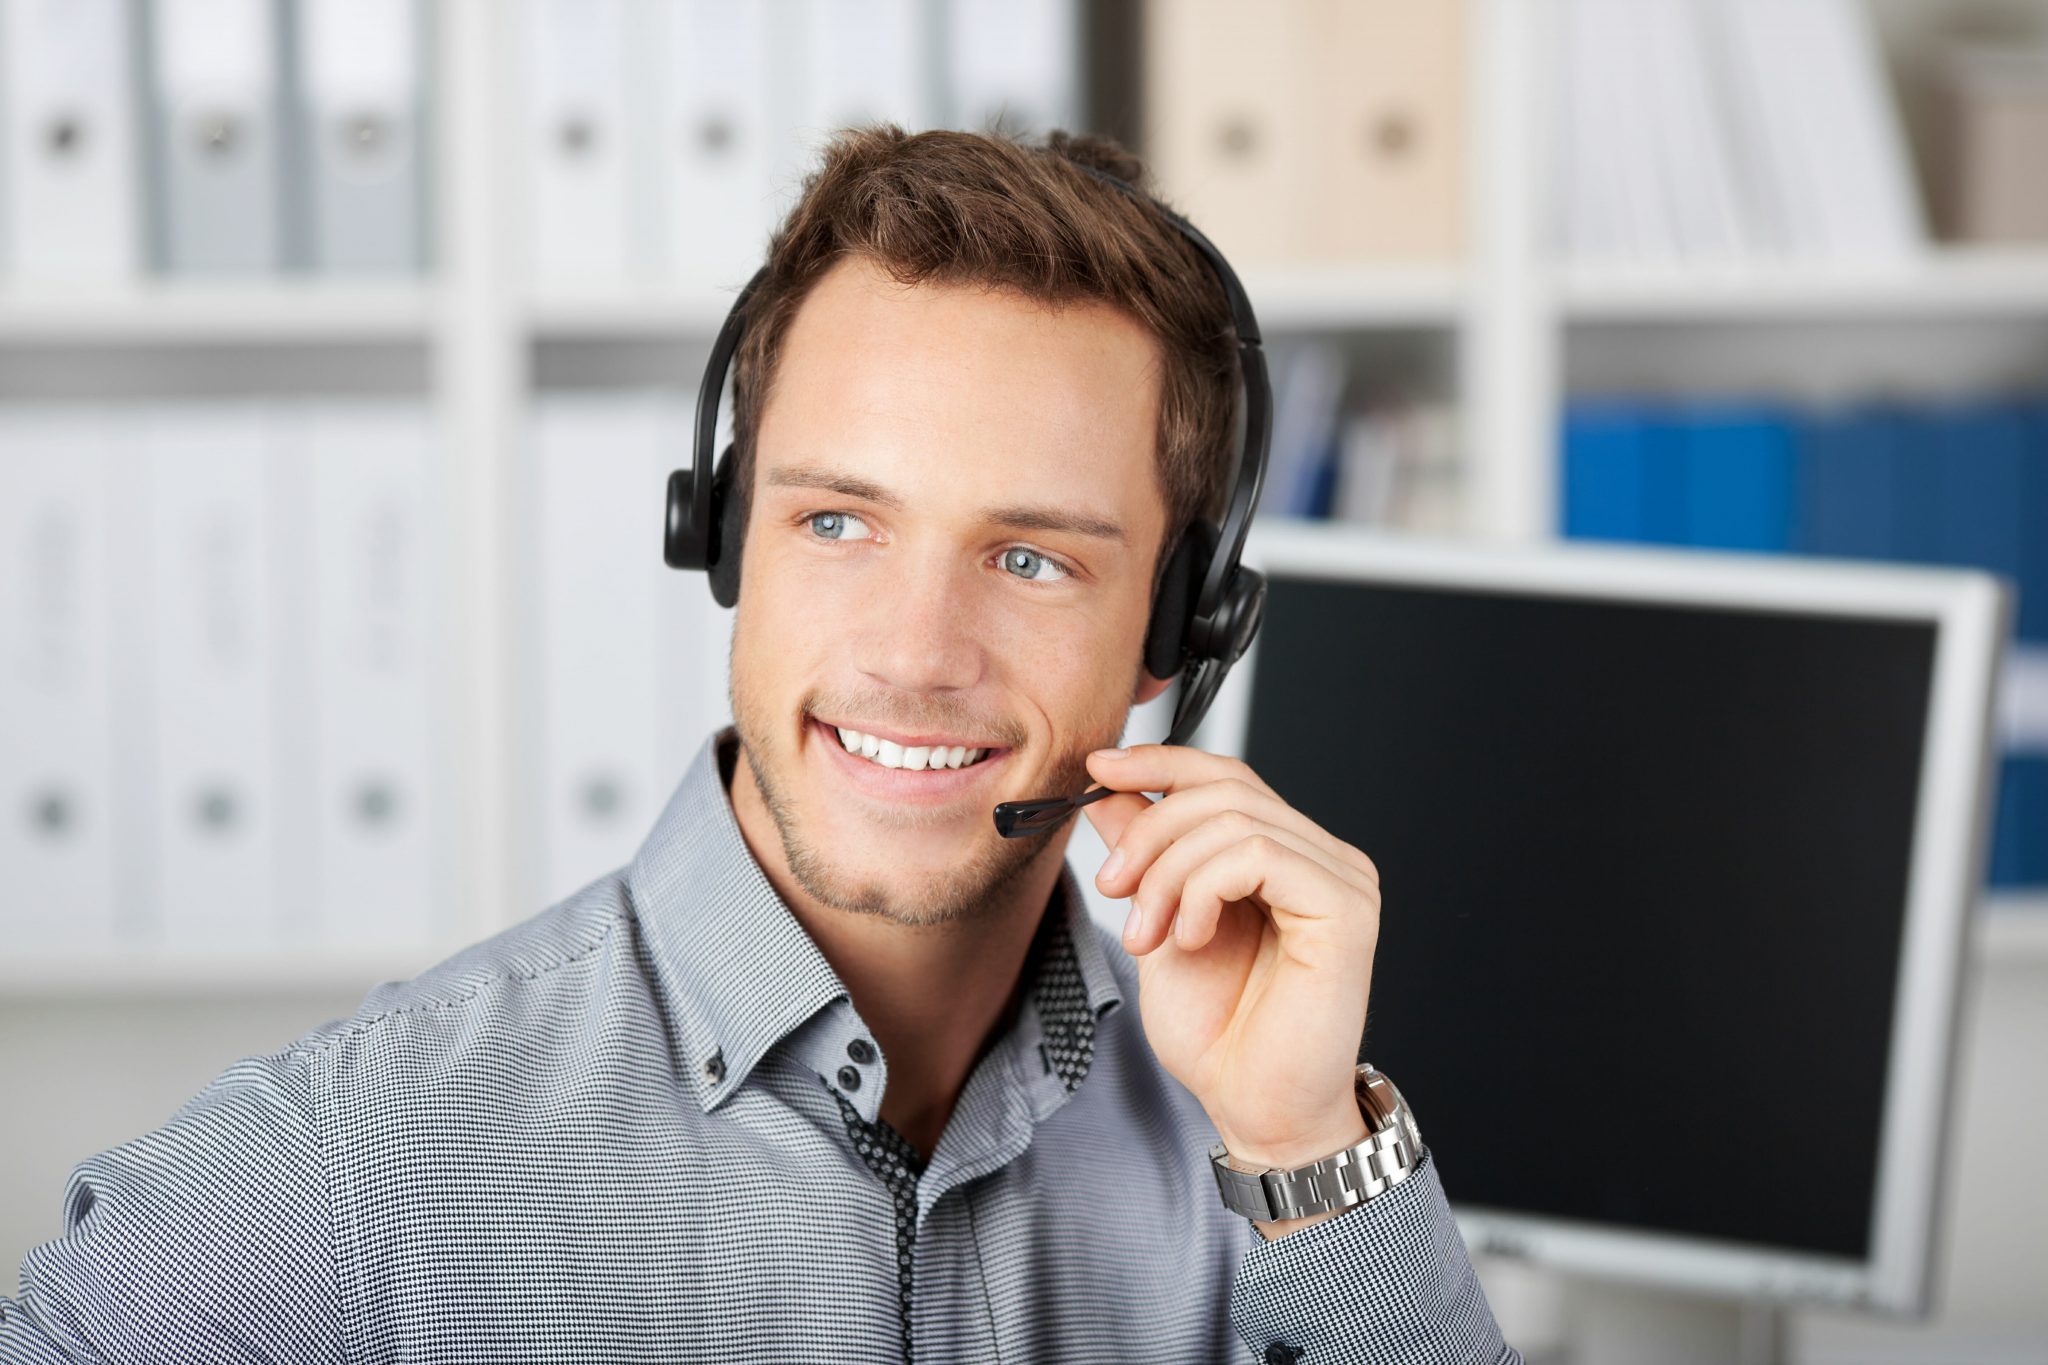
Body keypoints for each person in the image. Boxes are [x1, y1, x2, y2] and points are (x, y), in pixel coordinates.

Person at [0, 126, 1518, 1365]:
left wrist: (1308, 1146)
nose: (917, 653)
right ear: (727, 541)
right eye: (838, 521)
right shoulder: (347, 1166)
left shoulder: (1255, 1154)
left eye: (1034, 557)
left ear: (1174, 630)